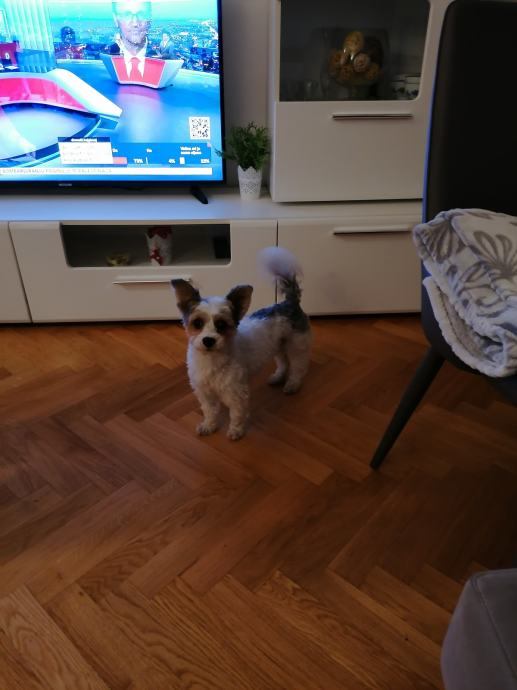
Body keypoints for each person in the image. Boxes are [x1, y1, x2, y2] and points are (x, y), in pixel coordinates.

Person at [110, 0, 156, 79]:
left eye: (141, 15)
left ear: (150, 20)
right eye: (127, 15)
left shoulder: (159, 58)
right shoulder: (108, 58)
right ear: (116, 20)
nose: (135, 23)